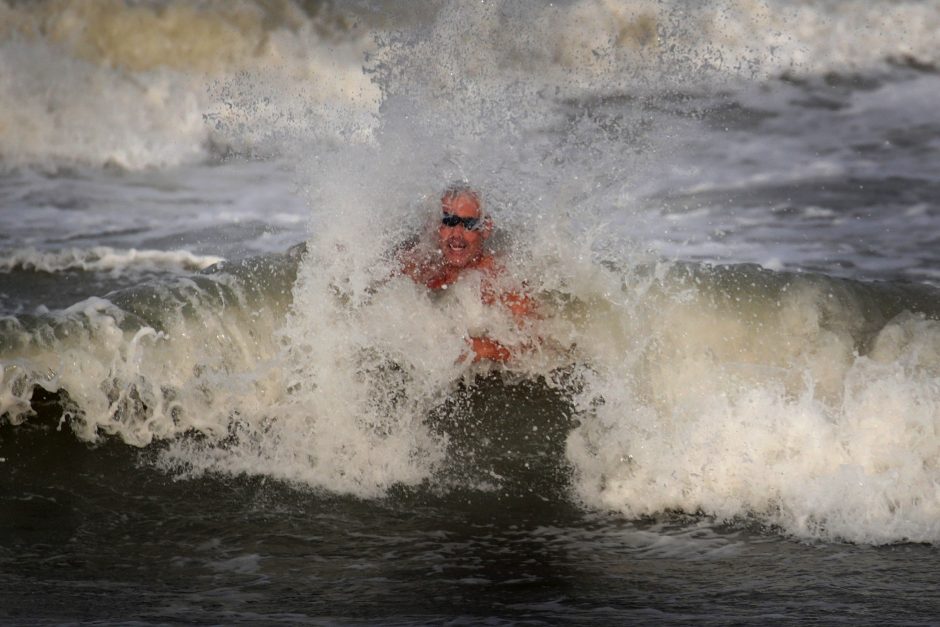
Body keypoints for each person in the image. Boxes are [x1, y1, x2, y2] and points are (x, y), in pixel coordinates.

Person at [400, 184, 535, 363]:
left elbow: (533, 348)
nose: (457, 234)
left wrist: (481, 349)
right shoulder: (420, 265)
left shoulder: (499, 280)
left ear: (485, 228)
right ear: (435, 225)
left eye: (469, 224)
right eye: (448, 222)